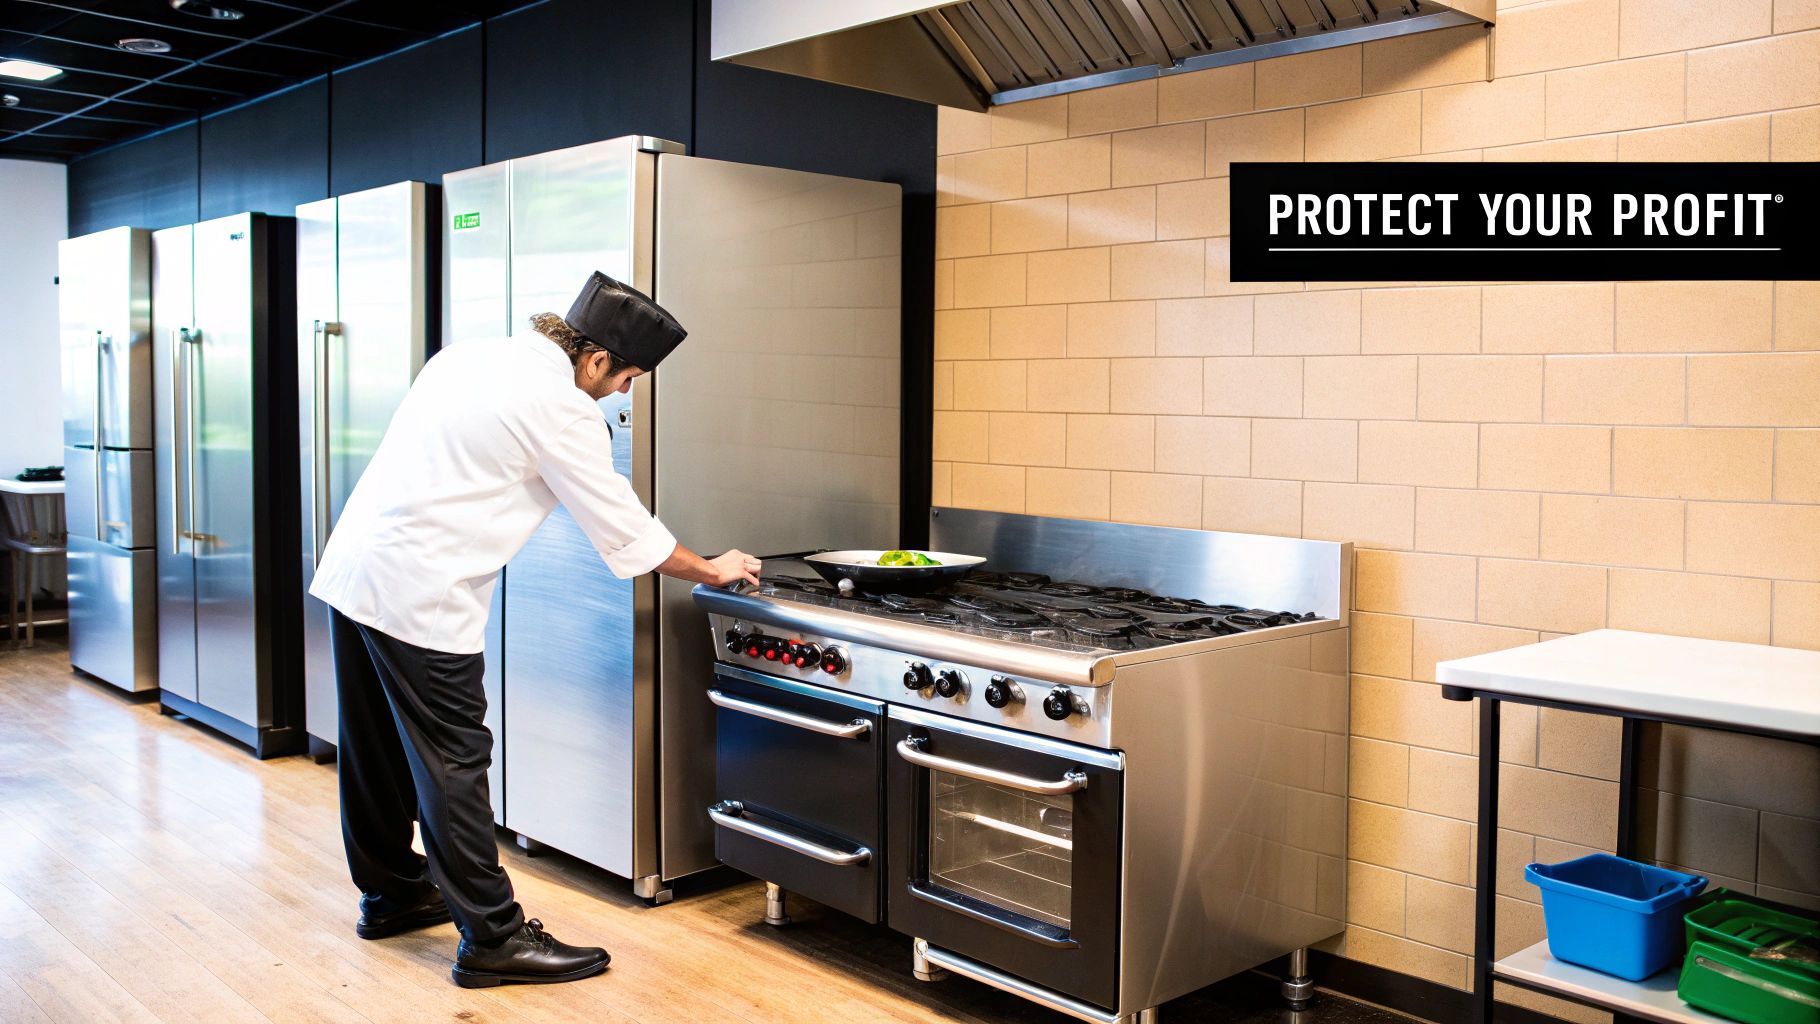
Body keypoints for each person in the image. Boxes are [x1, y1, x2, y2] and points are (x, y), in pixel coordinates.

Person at [309, 271, 760, 988]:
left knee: (375, 750)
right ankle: (493, 939)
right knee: (456, 762)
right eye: (629, 378)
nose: (624, 394)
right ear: (596, 359)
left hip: (356, 569)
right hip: (423, 595)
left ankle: (391, 893)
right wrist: (711, 568)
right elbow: (626, 530)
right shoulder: (560, 407)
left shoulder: (468, 356)